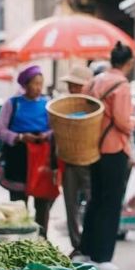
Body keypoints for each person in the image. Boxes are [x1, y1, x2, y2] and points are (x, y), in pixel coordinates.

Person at [77, 42, 135, 270]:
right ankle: (103, 257)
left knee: (95, 199)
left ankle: (86, 250)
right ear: (128, 63)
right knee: (111, 203)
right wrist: (133, 122)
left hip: (94, 146)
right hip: (113, 149)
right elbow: (123, 121)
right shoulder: (121, 84)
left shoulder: (94, 81)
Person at [0, 65, 54, 237]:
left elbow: (54, 129)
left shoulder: (47, 104)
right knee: (18, 203)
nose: (38, 88)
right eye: (34, 84)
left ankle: (42, 239)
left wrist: (45, 135)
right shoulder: (12, 104)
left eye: (40, 84)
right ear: (25, 85)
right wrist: (20, 137)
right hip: (18, 157)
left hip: (41, 158)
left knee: (42, 201)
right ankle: (21, 238)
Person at [58, 65, 94, 257]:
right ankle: (77, 243)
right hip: (69, 160)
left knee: (91, 203)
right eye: (71, 85)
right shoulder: (63, 106)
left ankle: (88, 241)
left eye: (77, 85)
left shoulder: (93, 106)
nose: (73, 89)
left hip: (89, 162)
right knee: (70, 204)